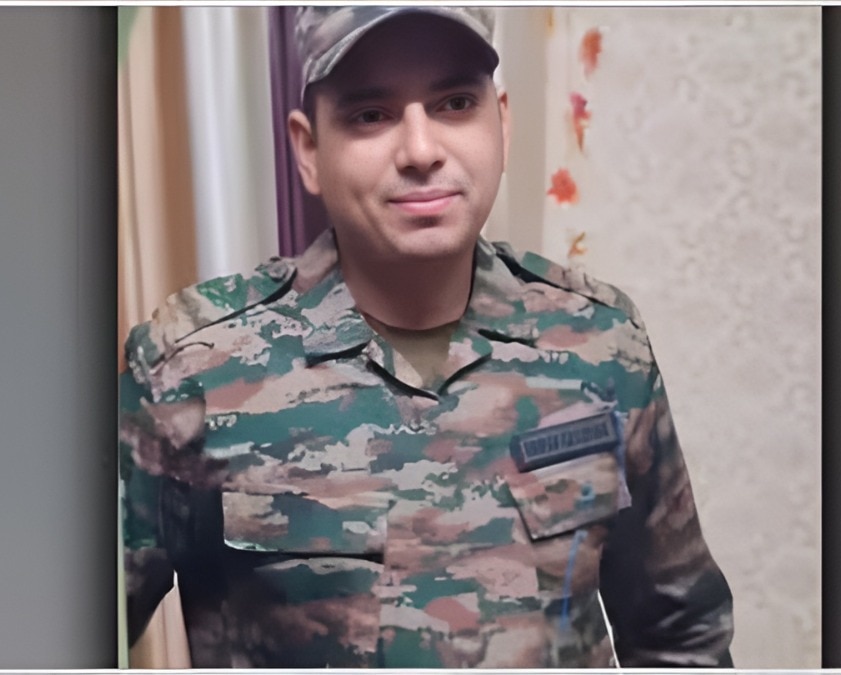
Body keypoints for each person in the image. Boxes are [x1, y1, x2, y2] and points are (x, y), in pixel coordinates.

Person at [120, 6, 734, 668]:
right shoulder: (191, 368)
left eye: (455, 103)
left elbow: (681, 635)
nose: (420, 150)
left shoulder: (600, 343)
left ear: (501, 123)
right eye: (370, 114)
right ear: (309, 150)